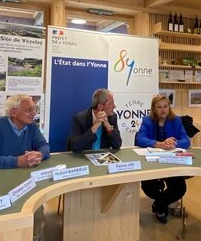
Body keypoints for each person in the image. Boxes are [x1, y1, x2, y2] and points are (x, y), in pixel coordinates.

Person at [0, 95, 50, 241]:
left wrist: (39, 153)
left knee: (37, 207)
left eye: (35, 109)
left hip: (23, 180)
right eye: (30, 110)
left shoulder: (31, 127)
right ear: (14, 112)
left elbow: (44, 146)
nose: (34, 113)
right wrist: (17, 161)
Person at [135, 94, 190, 224]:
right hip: (151, 163)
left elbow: (186, 140)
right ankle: (161, 205)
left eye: (165, 106)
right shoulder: (147, 120)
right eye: (159, 107)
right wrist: (158, 144)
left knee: (180, 189)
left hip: (171, 162)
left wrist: (173, 144)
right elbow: (140, 139)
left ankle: (159, 206)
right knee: (150, 189)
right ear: (153, 109)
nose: (163, 110)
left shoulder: (175, 120)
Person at [70, 88, 122, 153]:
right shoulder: (80, 118)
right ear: (100, 106)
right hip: (84, 157)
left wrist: (109, 127)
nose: (114, 106)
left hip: (103, 157)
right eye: (111, 103)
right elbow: (75, 147)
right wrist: (95, 127)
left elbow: (117, 145)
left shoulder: (112, 117)